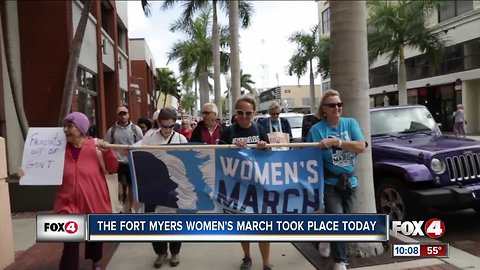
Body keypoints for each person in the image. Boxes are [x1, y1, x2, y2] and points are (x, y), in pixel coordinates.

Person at [18, 112, 119, 270]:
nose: (65, 129)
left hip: (94, 200)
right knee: (70, 243)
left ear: (81, 129)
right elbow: (42, 168)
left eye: (70, 126)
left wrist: (108, 152)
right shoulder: (57, 149)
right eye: (65, 126)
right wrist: (26, 173)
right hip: (67, 203)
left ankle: (96, 261)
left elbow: (113, 168)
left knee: (94, 237)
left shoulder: (96, 146)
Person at [305, 89, 366, 270]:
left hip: (350, 182)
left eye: (339, 104)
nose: (336, 108)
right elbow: (309, 157)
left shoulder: (350, 123)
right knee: (338, 220)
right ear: (323, 109)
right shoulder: (317, 130)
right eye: (332, 105)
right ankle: (340, 261)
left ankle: (326, 238)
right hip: (329, 184)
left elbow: (361, 146)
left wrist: (336, 142)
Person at [219, 95, 271, 270]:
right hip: (237, 187)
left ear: (254, 113)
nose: (244, 116)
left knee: (262, 226)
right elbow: (218, 158)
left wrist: (265, 147)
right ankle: (247, 257)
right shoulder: (228, 132)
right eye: (240, 113)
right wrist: (232, 150)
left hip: (258, 185)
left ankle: (266, 263)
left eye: (248, 113)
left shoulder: (260, 129)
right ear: (235, 112)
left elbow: (272, 157)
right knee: (243, 225)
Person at [134, 106, 188, 268]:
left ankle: (175, 252)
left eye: (171, 126)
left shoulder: (180, 139)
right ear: (158, 123)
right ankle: (160, 252)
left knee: (175, 221)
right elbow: (136, 150)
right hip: (152, 186)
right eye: (164, 126)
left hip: (173, 187)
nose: (167, 130)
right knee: (153, 221)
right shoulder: (150, 137)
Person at [105, 106, 143, 213]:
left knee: (132, 185)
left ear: (128, 114)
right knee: (116, 185)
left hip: (131, 161)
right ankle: (118, 207)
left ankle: (132, 208)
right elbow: (107, 144)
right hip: (117, 162)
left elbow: (142, 143)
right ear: (117, 116)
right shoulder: (112, 130)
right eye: (120, 114)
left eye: (125, 113)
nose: (123, 116)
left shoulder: (136, 129)